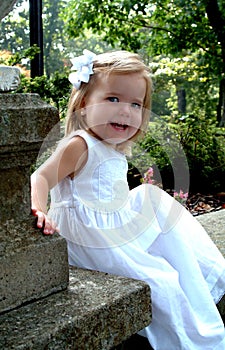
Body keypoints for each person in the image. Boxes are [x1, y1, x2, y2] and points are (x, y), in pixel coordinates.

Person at [31, 49, 225, 350]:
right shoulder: (79, 145)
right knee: (162, 284)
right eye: (112, 99)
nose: (125, 111)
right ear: (83, 105)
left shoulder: (111, 149)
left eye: (136, 104)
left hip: (115, 226)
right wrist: (39, 209)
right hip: (92, 237)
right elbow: (40, 177)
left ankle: (204, 274)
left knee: (151, 200)